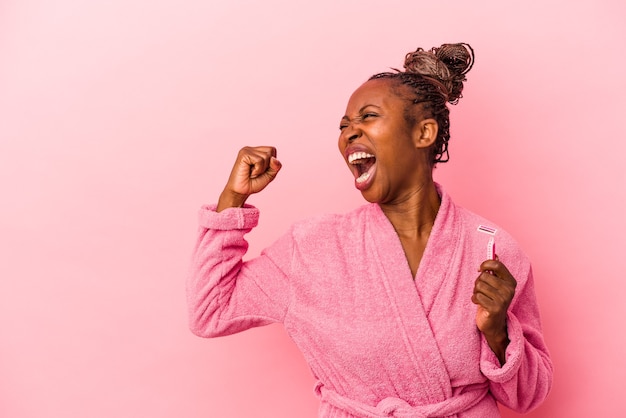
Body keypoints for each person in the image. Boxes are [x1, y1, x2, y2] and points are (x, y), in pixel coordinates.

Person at [187, 43, 553, 417]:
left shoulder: (490, 249)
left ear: (424, 132)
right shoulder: (312, 246)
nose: (349, 133)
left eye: (368, 117)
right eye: (344, 125)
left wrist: (499, 331)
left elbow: (528, 396)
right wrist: (233, 197)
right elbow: (211, 311)